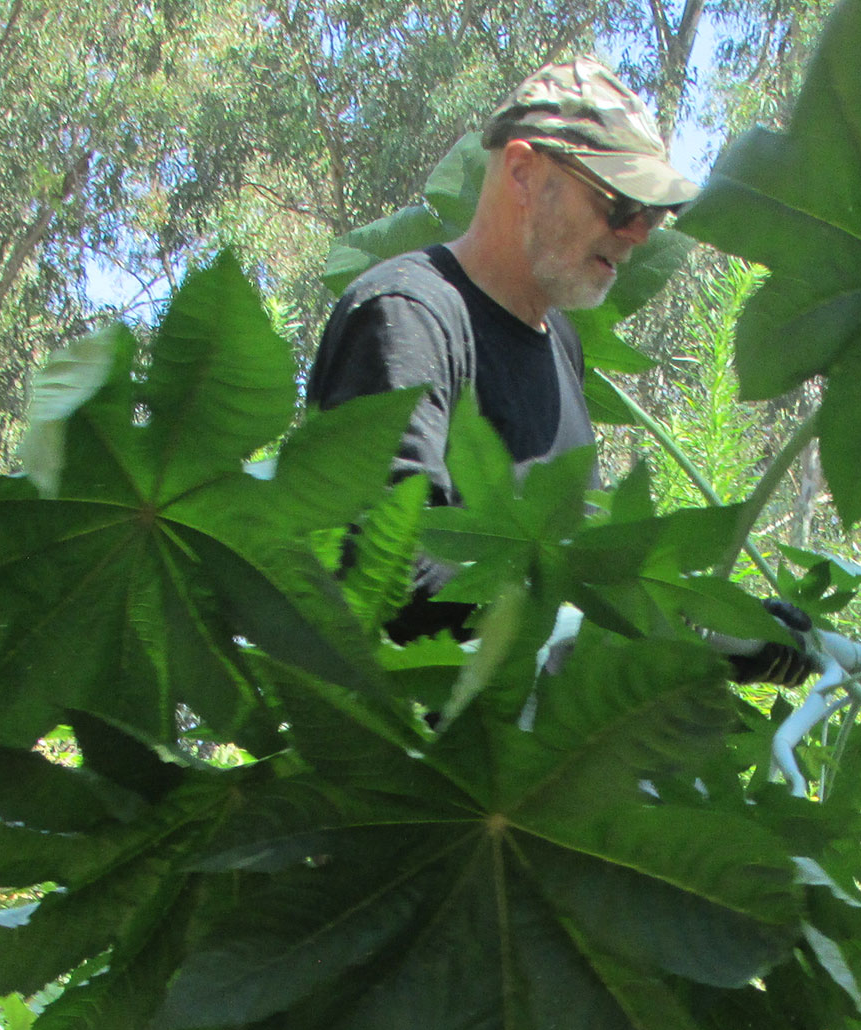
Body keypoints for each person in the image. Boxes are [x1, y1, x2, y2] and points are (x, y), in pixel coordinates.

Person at [308, 55, 808, 686]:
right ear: (523, 170)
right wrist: (659, 630)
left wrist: (720, 629)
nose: (638, 234)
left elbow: (579, 573)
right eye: (619, 204)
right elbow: (390, 573)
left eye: (654, 215)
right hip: (425, 742)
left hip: (538, 739)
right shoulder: (408, 316)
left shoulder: (561, 342)